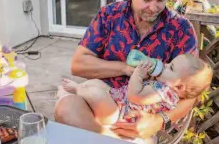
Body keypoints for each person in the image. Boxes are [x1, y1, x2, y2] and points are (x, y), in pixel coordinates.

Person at [54, 0, 199, 141]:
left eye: (161, 0)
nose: (154, 8)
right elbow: (79, 64)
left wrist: (158, 120)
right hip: (100, 103)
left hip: (142, 115)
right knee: (65, 110)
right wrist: (124, 68)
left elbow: (192, 91)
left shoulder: (181, 29)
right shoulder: (109, 15)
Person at [62, 54, 213, 127]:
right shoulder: (164, 85)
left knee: (95, 93)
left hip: (118, 113)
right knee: (96, 83)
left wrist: (138, 74)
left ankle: (77, 88)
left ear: (179, 87)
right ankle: (80, 91)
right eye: (169, 63)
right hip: (116, 99)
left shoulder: (165, 92)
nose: (165, 64)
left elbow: (134, 96)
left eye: (171, 67)